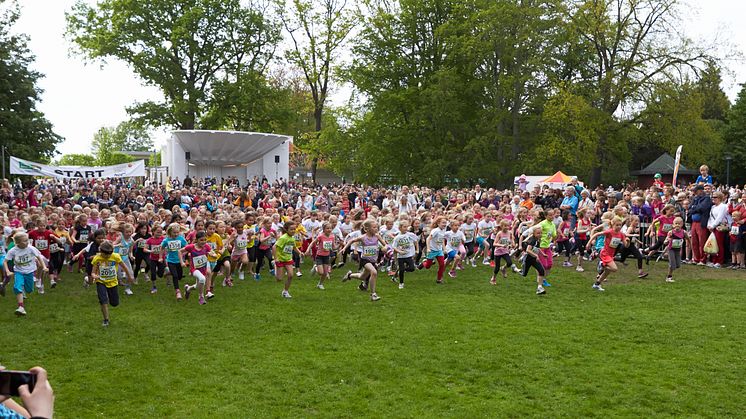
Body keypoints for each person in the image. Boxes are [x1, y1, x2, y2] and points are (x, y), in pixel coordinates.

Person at [3, 232, 48, 316]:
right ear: (18, 243)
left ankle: (23, 287)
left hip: (29, 272)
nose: (27, 242)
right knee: (17, 287)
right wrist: (8, 271)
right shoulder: (13, 250)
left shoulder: (31, 248)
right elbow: (5, 261)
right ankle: (21, 307)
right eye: (24, 241)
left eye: (27, 240)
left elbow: (39, 257)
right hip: (18, 271)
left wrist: (44, 266)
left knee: (29, 290)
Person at [342, 219, 386, 301]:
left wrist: (385, 249)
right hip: (365, 260)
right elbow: (351, 240)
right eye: (374, 227)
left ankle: (349, 275)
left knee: (362, 277)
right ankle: (373, 294)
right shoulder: (363, 237)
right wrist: (344, 248)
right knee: (374, 272)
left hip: (373, 260)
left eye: (377, 227)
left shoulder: (377, 236)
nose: (376, 229)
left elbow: (385, 245)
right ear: (367, 229)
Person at [91, 241, 133, 326]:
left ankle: (110, 299)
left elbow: (124, 267)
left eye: (109, 254)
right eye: (105, 255)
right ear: (101, 251)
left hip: (113, 282)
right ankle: (106, 319)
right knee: (103, 300)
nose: (107, 256)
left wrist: (129, 277)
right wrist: (94, 276)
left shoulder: (116, 256)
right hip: (101, 281)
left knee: (114, 303)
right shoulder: (97, 258)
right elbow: (93, 272)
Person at [587, 218, 627, 292]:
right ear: (612, 225)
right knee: (614, 269)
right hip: (605, 252)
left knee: (607, 272)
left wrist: (628, 241)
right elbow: (596, 234)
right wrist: (589, 243)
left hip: (611, 254)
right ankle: (602, 264)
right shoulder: (609, 232)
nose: (619, 227)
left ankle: (596, 284)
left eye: (620, 225)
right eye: (617, 225)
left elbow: (626, 245)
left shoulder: (621, 234)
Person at [181, 231, 212, 305]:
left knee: (198, 285)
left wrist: (213, 254)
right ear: (196, 240)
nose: (203, 242)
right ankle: (201, 297)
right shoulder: (191, 247)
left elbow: (211, 252)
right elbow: (180, 251)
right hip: (194, 269)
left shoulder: (206, 246)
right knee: (202, 279)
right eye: (201, 240)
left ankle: (188, 288)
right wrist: (182, 262)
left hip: (203, 269)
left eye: (205, 240)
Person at [160, 223, 188, 300]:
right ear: (170, 232)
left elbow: (186, 247)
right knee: (175, 276)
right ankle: (178, 292)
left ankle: (168, 272)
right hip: (170, 260)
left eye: (177, 232)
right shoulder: (166, 240)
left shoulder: (181, 239)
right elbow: (162, 248)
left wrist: (184, 253)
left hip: (179, 260)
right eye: (174, 232)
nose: (176, 234)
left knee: (179, 276)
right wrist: (160, 257)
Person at [273, 221, 298, 298]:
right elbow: (274, 247)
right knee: (279, 279)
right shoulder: (283, 238)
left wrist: (300, 252)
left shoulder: (292, 238)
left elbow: (294, 247)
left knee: (290, 275)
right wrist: (276, 258)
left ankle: (285, 291)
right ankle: (274, 264)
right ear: (286, 230)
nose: (293, 231)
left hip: (288, 259)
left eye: (294, 229)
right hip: (280, 259)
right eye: (291, 229)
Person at [688, 185, 712, 265]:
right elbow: (689, 208)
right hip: (694, 222)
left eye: (696, 191)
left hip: (701, 223)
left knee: (702, 242)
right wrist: (694, 208)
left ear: (700, 190)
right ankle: (696, 259)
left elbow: (702, 208)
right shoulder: (695, 198)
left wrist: (694, 208)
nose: (695, 193)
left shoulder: (707, 198)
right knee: (694, 242)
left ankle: (703, 259)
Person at [391, 220, 418, 289]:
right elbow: (394, 247)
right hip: (401, 256)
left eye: (407, 227)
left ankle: (401, 270)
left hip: (408, 255)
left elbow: (416, 241)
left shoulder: (410, 234)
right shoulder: (397, 237)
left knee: (412, 268)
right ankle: (401, 283)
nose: (406, 228)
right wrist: (399, 251)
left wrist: (417, 249)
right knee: (402, 270)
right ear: (400, 228)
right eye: (404, 227)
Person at [663, 217, 691, 283]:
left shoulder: (683, 232)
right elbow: (665, 242)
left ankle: (668, 260)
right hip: (671, 249)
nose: (677, 225)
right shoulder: (671, 232)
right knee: (673, 265)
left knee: (678, 265)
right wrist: (667, 241)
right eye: (676, 223)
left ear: (682, 224)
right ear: (673, 224)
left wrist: (690, 244)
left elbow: (688, 239)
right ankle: (669, 277)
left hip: (678, 250)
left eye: (679, 224)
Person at [521, 227, 547, 295]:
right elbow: (528, 250)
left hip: (534, 259)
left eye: (541, 233)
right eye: (538, 233)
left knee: (541, 271)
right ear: (534, 234)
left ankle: (539, 288)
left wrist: (543, 254)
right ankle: (515, 269)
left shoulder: (538, 240)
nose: (540, 234)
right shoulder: (532, 240)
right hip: (528, 259)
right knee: (524, 274)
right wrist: (536, 255)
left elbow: (537, 248)